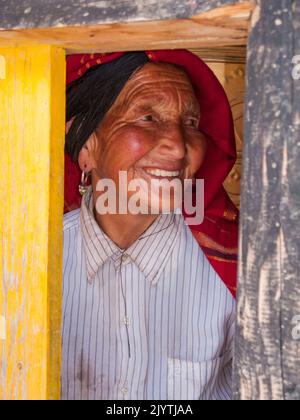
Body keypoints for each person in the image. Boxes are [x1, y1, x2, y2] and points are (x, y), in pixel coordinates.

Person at [62, 50, 239, 400]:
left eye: (190, 123)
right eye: (147, 117)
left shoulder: (239, 269)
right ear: (86, 146)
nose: (177, 146)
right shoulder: (20, 262)